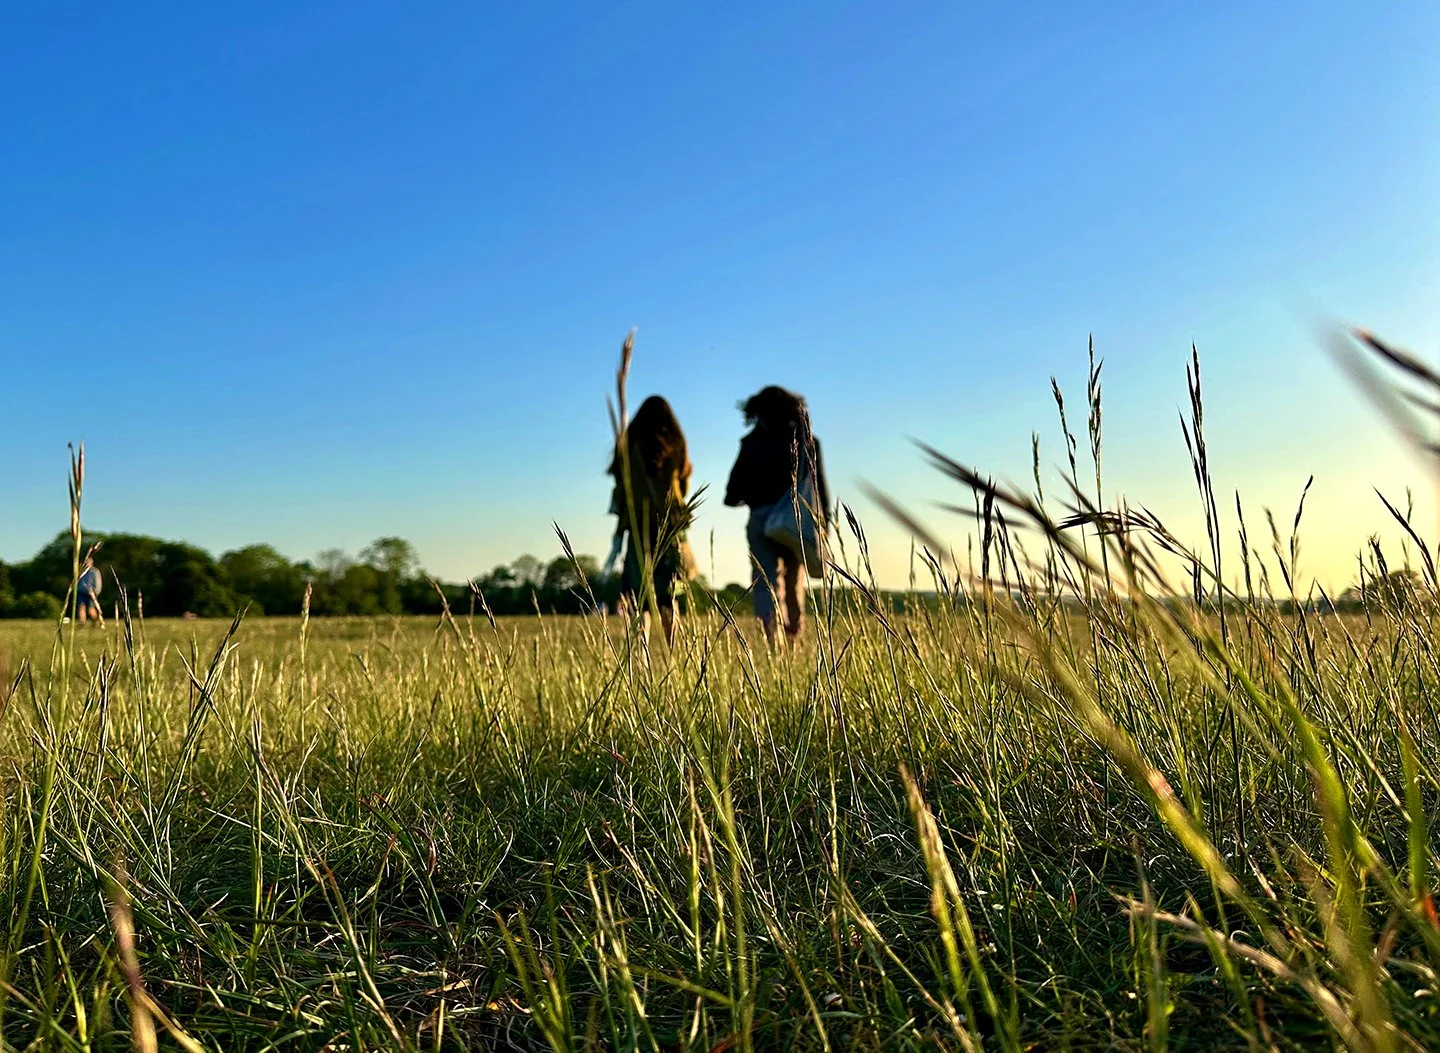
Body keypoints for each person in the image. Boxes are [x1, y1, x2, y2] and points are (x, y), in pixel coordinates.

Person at [724, 385, 831, 646]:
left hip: (761, 519)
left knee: (765, 582)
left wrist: (753, 495)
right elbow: (819, 488)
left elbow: (731, 495)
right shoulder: (807, 441)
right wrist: (824, 523)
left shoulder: (751, 444)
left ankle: (773, 642)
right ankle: (793, 642)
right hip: (797, 520)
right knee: (794, 583)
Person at [603, 395, 694, 644]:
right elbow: (684, 483)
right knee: (669, 594)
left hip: (636, 527)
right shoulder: (676, 444)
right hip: (669, 528)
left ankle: (640, 655)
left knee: (637, 595)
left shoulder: (629, 446)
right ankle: (674, 653)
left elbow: (620, 486)